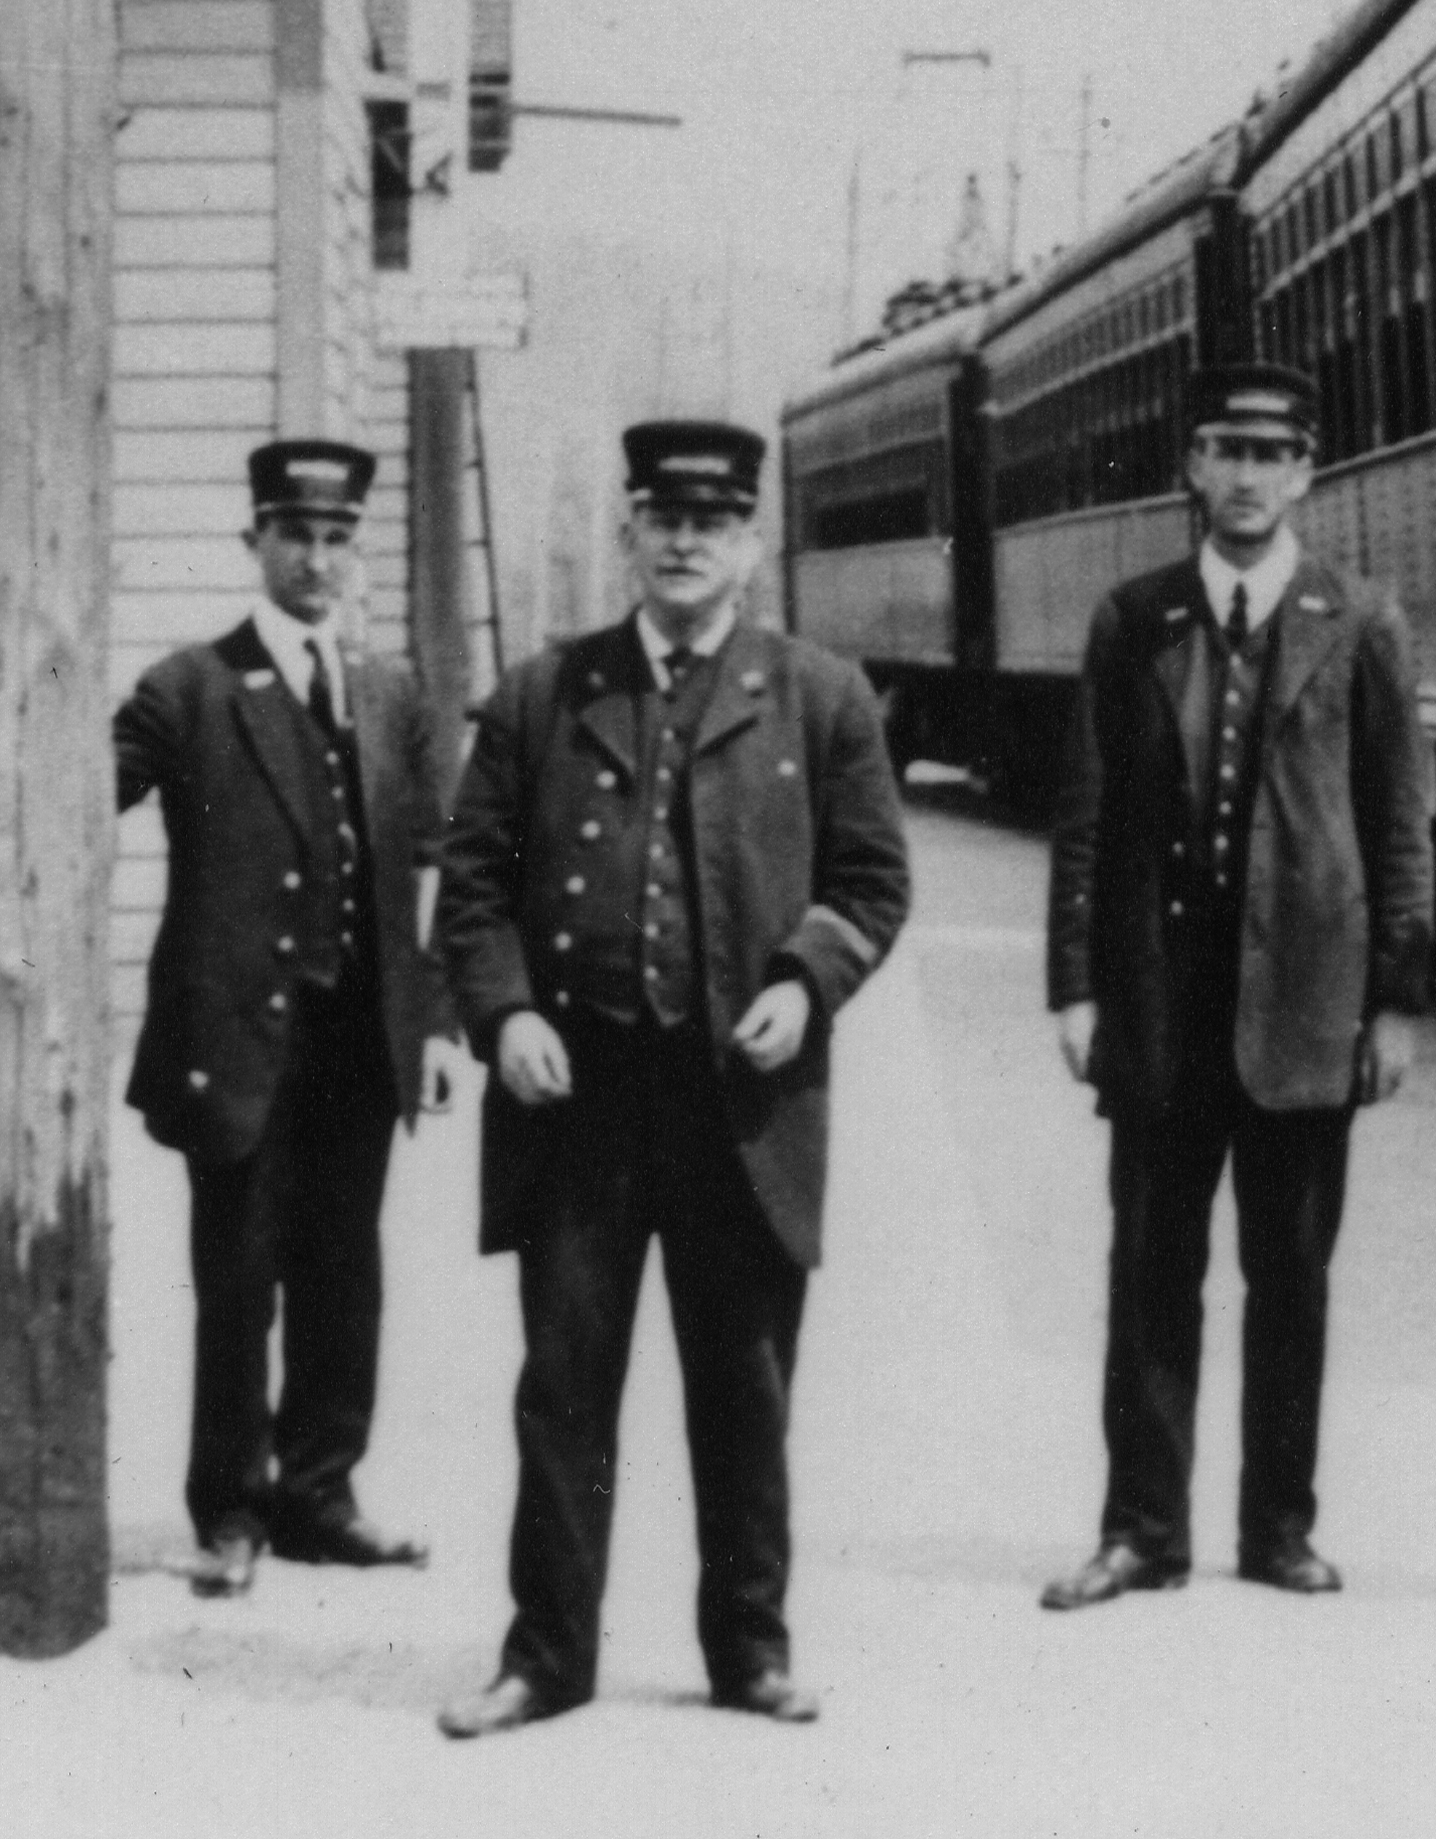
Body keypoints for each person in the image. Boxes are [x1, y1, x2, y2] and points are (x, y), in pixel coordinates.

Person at [429, 420, 913, 1738]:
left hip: (738, 1107)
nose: (687, 543)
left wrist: (802, 981)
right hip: (578, 1100)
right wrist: (503, 1012)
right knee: (563, 1387)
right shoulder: (543, 694)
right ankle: (546, 1658)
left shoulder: (820, 695)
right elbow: (471, 886)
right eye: (665, 520)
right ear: (630, 534)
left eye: (713, 523)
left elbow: (874, 881)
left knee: (744, 1389)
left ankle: (750, 1649)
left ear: (752, 542)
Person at [1039, 361, 1434, 1611]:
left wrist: (1396, 1000)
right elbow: (1087, 818)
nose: (1249, 475)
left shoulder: (1359, 619)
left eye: (1273, 453)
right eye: (1227, 450)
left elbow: (1400, 820)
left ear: (1305, 472)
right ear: (1193, 468)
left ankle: (1279, 1530)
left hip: (1307, 1004)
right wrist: (1075, 987)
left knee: (1291, 1277)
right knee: (1151, 1274)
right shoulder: (1133, 619)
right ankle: (1141, 1532)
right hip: (1163, 999)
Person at [113, 436, 458, 1601]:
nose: (317, 558)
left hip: (360, 1034)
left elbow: (433, 860)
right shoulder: (188, 689)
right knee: (238, 1276)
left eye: (337, 537)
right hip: (239, 1038)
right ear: (254, 541)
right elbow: (81, 782)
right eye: (295, 535)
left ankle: (321, 1495)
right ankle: (230, 1511)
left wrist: (435, 1019)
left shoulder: (393, 691)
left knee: (343, 1270)